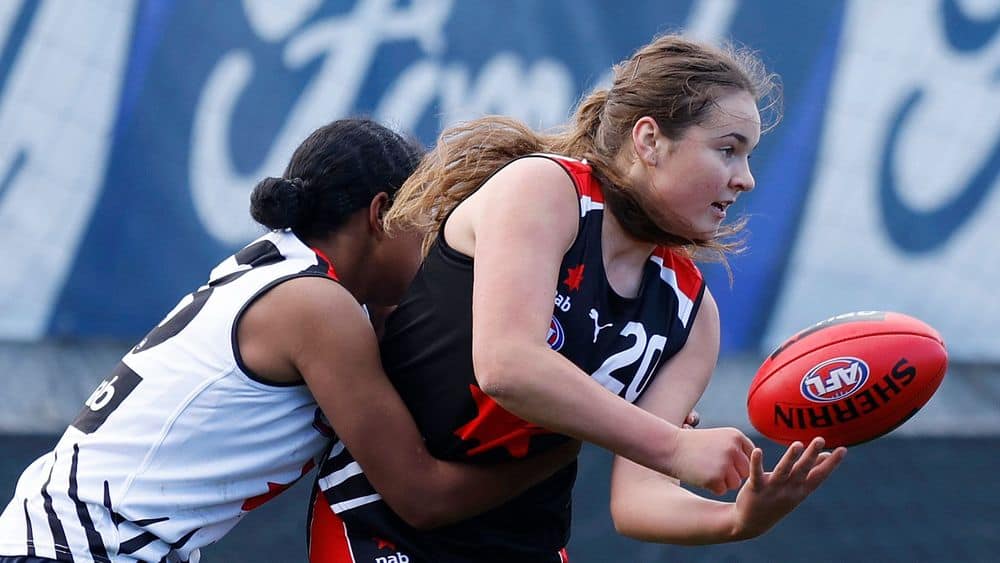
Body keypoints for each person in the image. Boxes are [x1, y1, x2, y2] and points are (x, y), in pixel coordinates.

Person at [309, 35, 847, 562]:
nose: (746, 180)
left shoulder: (691, 314)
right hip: (380, 524)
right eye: (727, 150)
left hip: (526, 544)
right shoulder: (545, 189)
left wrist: (737, 520)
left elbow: (638, 502)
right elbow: (508, 365)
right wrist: (675, 445)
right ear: (649, 141)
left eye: (749, 156)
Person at [0, 119, 580, 563]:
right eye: (429, 225)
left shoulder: (288, 275)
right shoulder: (316, 308)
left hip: (70, 535)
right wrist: (579, 431)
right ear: (381, 215)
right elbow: (421, 497)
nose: (436, 248)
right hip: (84, 546)